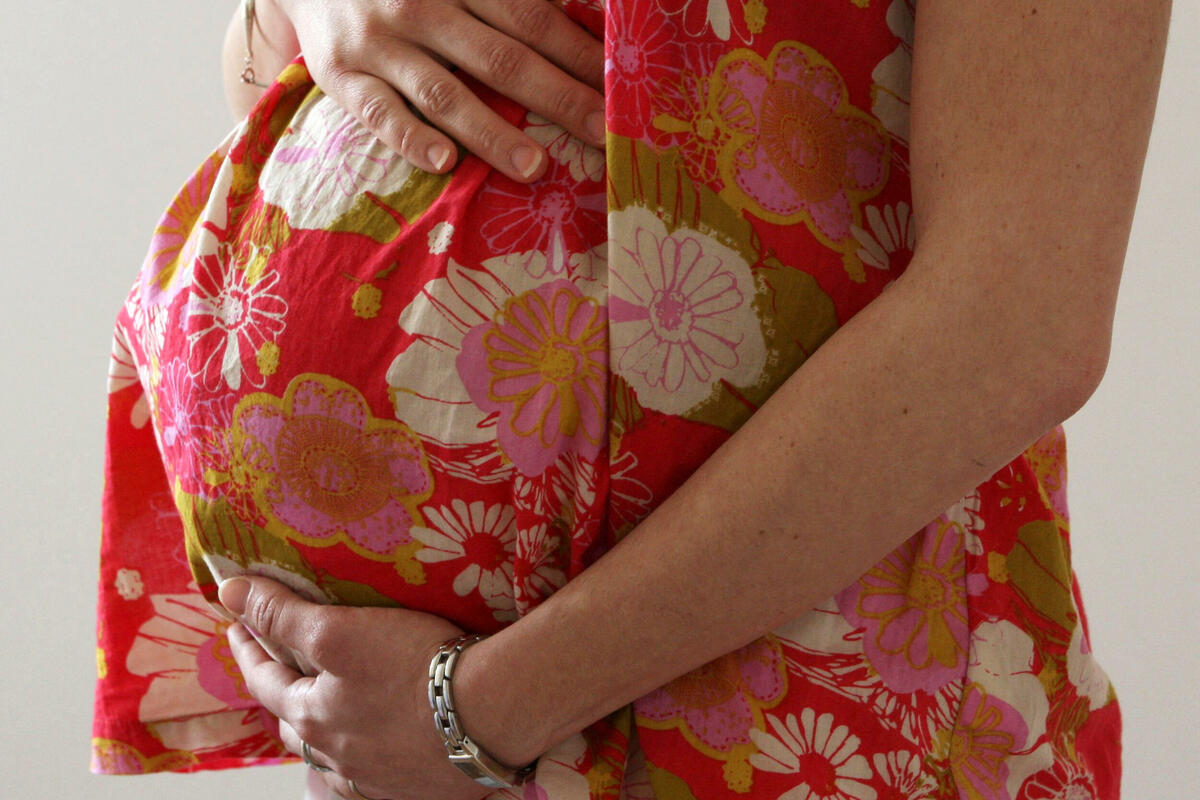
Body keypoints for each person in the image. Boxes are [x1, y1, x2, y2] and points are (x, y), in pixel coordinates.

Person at [92, 0, 1171, 798]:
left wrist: (476, 712)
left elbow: (1017, 320)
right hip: (417, 741)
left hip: (814, 718)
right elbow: (271, 88)